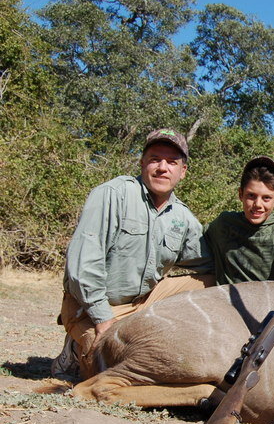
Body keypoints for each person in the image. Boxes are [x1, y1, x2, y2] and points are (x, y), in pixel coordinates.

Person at [53, 128, 214, 380]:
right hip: (94, 308)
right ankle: (74, 350)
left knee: (213, 282)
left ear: (182, 172)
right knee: (111, 371)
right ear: (142, 163)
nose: (163, 167)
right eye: (155, 159)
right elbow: (82, 266)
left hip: (143, 304)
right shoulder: (112, 194)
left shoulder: (182, 217)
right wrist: (103, 319)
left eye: (172, 162)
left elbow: (209, 262)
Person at [204, 156, 274, 285]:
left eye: (266, 198)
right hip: (223, 300)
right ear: (241, 194)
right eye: (251, 196)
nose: (258, 204)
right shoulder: (224, 222)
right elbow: (195, 239)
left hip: (266, 301)